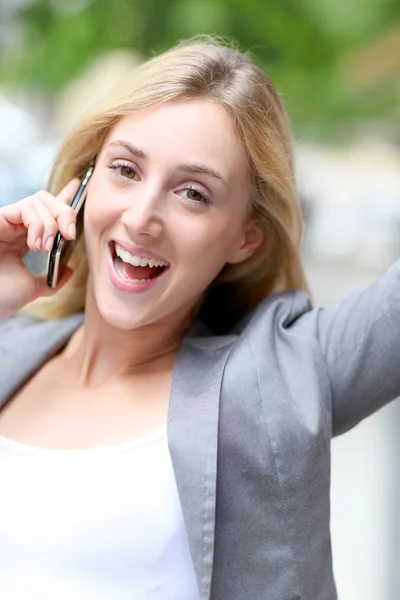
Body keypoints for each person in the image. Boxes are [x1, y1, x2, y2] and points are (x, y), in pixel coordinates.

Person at [0, 36, 399, 600]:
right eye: (125, 170)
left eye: (192, 193)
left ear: (245, 236)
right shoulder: (11, 347)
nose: (142, 219)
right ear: (83, 185)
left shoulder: (277, 381)